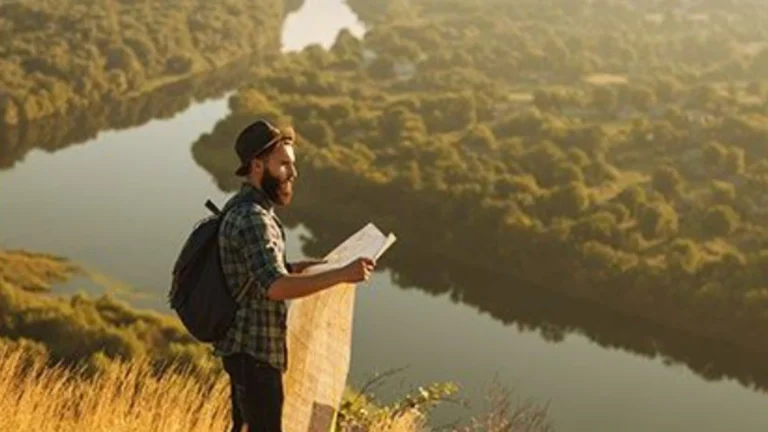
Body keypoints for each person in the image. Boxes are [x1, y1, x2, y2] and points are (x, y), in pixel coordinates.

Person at [214, 119, 375, 432]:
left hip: (250, 353)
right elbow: (274, 287)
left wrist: (303, 268)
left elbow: (263, 274)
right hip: (254, 354)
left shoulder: (250, 210)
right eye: (284, 164)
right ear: (257, 166)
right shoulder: (253, 218)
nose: (293, 173)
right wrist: (342, 274)